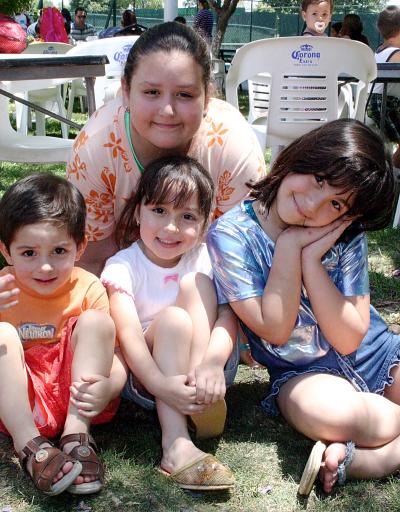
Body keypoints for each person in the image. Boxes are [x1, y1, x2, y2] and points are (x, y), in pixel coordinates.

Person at [207, 118, 400, 496]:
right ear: (300, 156)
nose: (313, 203)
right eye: (319, 178)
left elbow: (349, 338)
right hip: (302, 374)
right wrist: (291, 248)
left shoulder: (345, 235)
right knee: (336, 415)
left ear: (349, 214)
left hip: (377, 353)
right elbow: (275, 329)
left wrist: (312, 263)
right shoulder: (231, 235)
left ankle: (370, 460)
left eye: (336, 203)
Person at [66, 21, 265, 277]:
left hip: (211, 285)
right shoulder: (95, 149)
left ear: (208, 96)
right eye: (151, 92)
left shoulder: (233, 149)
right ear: (125, 91)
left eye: (184, 95)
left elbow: (243, 259)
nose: (167, 111)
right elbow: (91, 260)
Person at [101, 156, 237, 490]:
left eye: (187, 216)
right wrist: (162, 385)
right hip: (150, 379)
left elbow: (227, 317)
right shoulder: (123, 266)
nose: (171, 227)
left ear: (205, 224)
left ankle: (199, 392)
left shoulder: (205, 256)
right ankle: (175, 442)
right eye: (159, 211)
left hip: (209, 370)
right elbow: (129, 336)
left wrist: (213, 364)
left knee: (196, 284)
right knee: (174, 319)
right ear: (138, 212)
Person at [0, 174, 126, 497]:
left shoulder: (87, 287)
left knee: (97, 322)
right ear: (6, 251)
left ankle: (76, 434)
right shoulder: (3, 289)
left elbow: (115, 359)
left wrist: (109, 387)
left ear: (80, 247)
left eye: (58, 250)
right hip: (20, 403)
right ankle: (28, 444)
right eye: (29, 253)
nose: (45, 267)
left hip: (77, 396)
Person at [368, 5, 400, 169]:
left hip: (377, 105)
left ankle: (392, 171)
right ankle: (391, 175)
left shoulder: (380, 50)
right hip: (383, 106)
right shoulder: (396, 53)